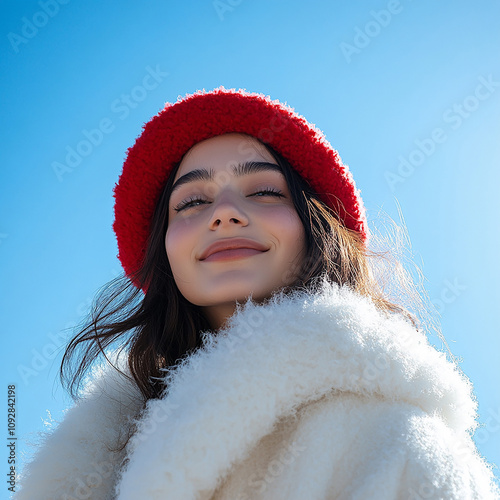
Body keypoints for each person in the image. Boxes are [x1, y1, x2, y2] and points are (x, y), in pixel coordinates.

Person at [14, 88, 499, 499]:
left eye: (265, 192)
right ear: (165, 250)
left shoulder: (398, 447)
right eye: (193, 201)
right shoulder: (94, 460)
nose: (224, 213)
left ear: (316, 229)